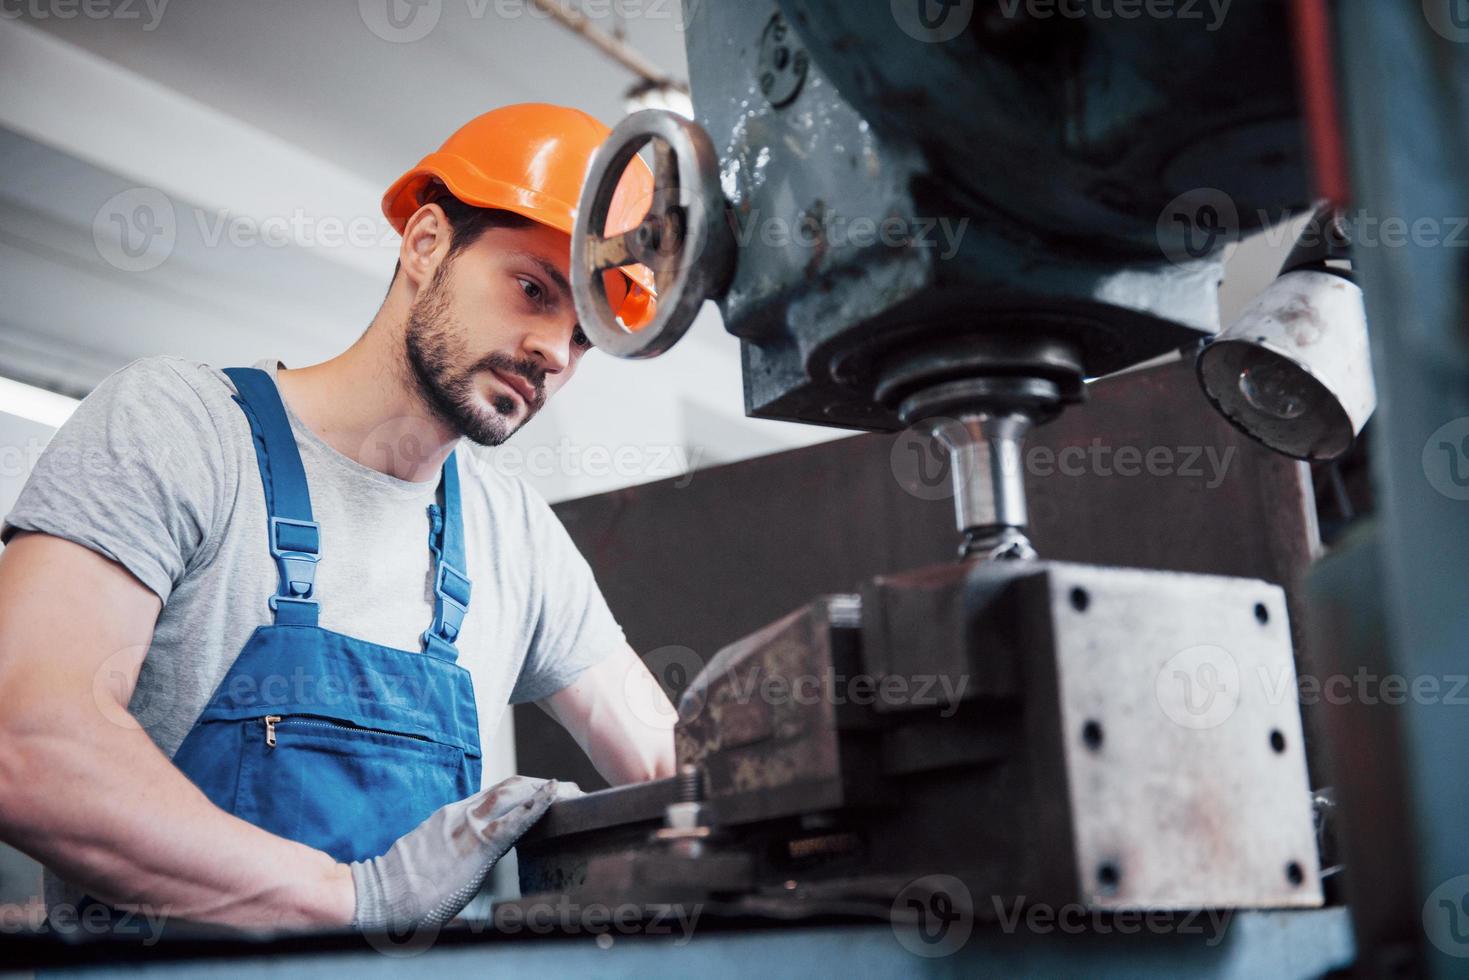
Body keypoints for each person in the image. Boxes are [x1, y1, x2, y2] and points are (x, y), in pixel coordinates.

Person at [0, 103, 676, 933]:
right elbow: (27, 746)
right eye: (532, 289)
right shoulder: (181, 428)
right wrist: (355, 902)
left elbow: (667, 764)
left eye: (582, 340)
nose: (552, 352)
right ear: (426, 244)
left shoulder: (516, 536)